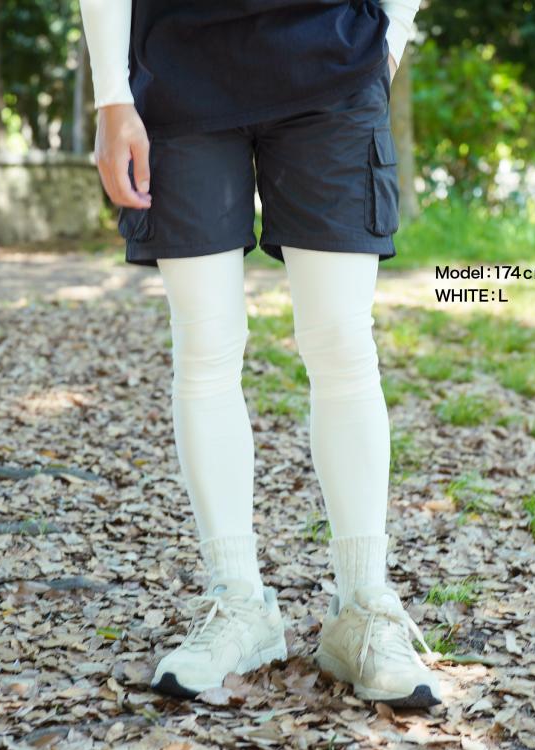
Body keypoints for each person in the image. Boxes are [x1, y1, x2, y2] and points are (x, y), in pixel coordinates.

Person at [79, 0, 441, 709]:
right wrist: (112, 96)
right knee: (204, 348)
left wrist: (390, 38)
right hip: (178, 70)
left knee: (341, 341)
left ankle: (364, 606)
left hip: (334, 64)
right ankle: (239, 602)